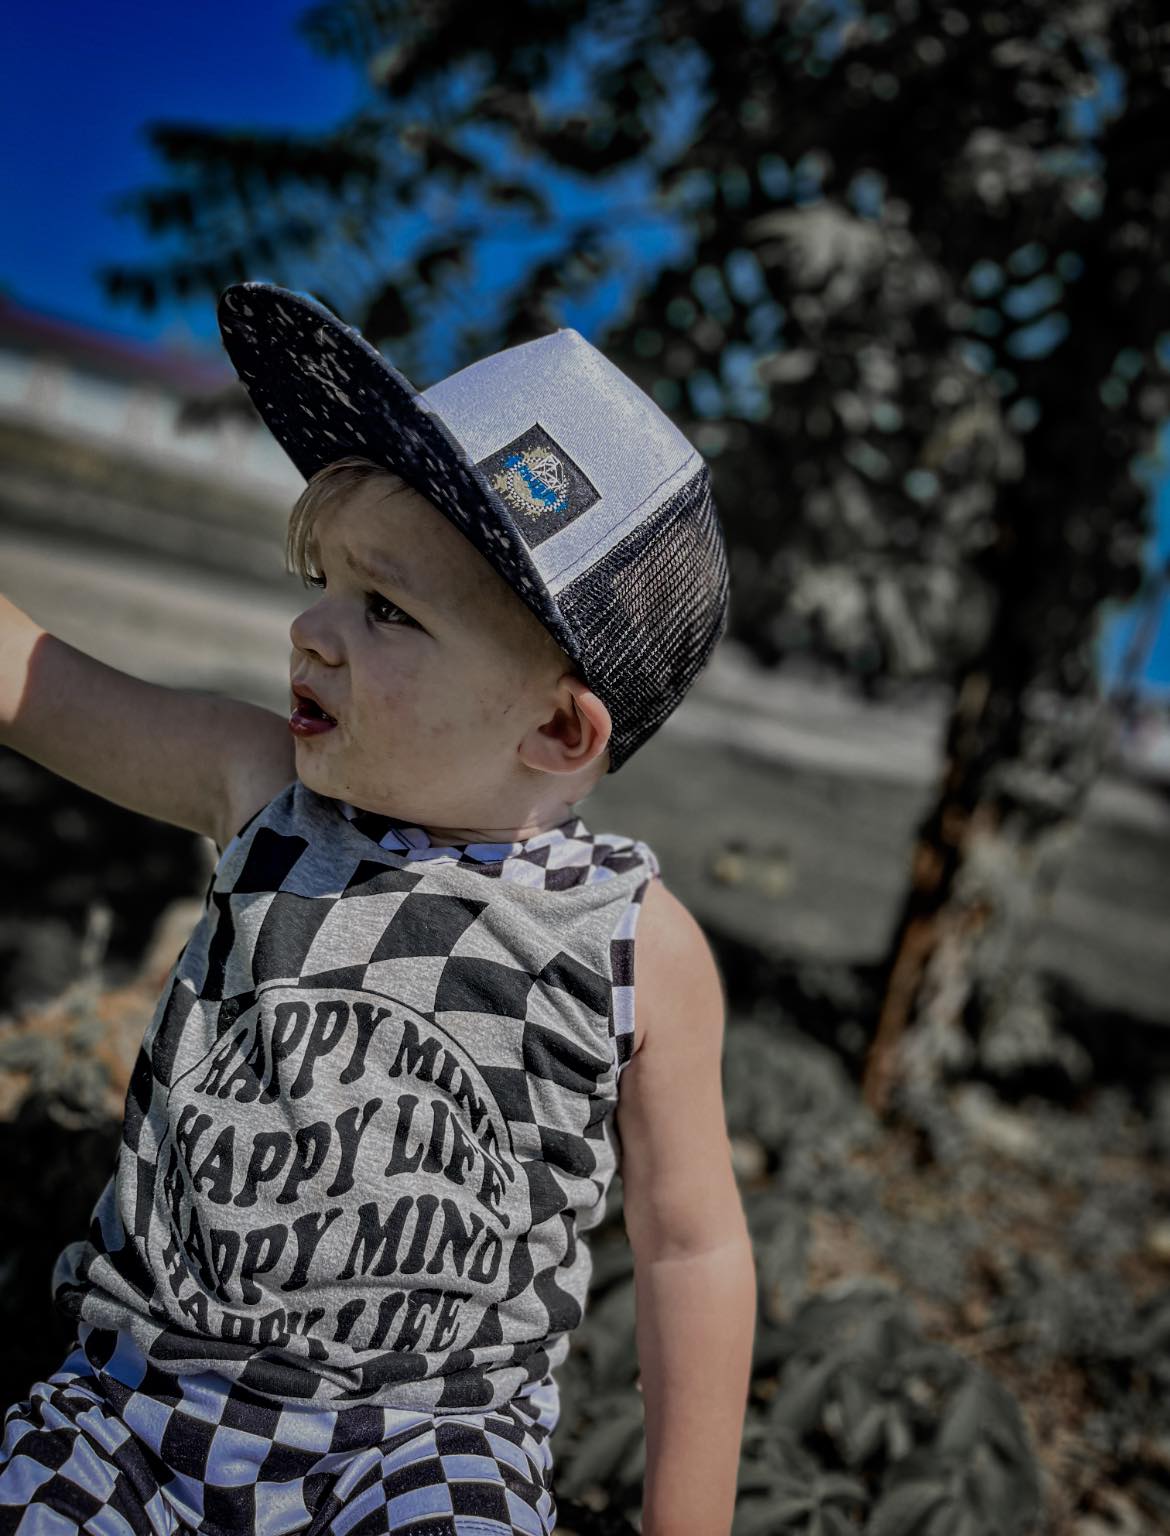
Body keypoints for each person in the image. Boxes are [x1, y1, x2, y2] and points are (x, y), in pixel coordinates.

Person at [0, 283, 757, 1536]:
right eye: (326, 583)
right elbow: (35, 686)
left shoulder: (631, 939)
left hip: (426, 1444)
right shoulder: (259, 794)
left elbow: (691, 1248)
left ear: (558, 728)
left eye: (385, 611)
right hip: (131, 1407)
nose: (311, 632)